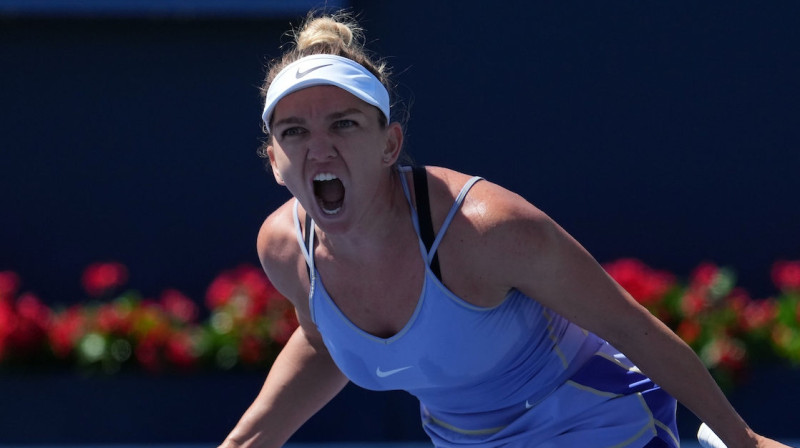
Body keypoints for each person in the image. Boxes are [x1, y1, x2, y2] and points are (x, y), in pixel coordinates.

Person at [220, 11, 790, 448]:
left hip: (591, 418)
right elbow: (324, 344)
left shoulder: (485, 229)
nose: (319, 147)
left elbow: (627, 325)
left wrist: (743, 440)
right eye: (294, 132)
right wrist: (245, 442)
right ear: (273, 159)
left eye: (344, 123)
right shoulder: (285, 249)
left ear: (389, 145)